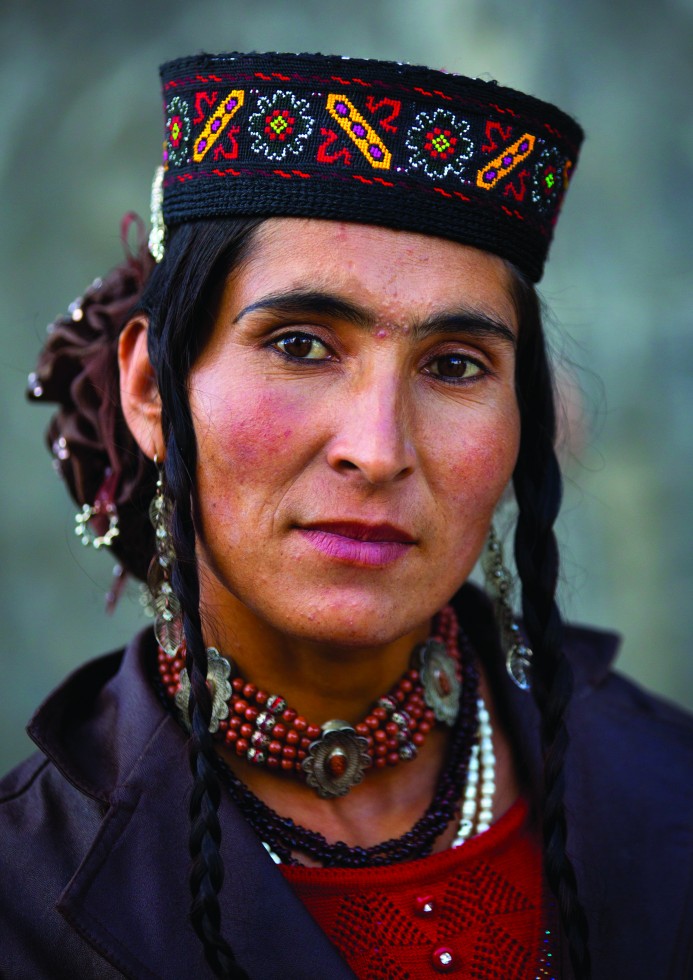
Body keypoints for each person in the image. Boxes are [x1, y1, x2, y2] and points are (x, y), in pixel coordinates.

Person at [1, 51, 691, 980]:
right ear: (150, 391)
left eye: (454, 365)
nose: (378, 447)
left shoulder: (666, 785)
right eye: (298, 344)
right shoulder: (24, 892)